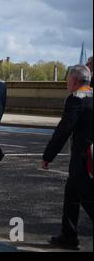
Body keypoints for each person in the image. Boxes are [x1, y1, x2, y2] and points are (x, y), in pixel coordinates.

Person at [42, 65, 93, 250]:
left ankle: (69, 235)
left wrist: (48, 156)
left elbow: (64, 130)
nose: (66, 84)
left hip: (83, 158)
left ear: (73, 80)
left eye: (67, 80)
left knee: (88, 198)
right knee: (71, 195)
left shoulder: (76, 99)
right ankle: (69, 235)